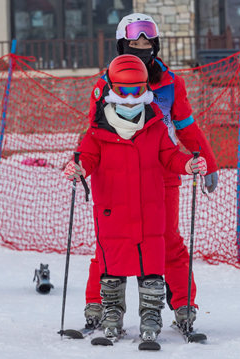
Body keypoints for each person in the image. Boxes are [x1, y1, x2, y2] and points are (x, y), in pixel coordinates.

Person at [80, 13, 219, 333]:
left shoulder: (171, 82)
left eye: (147, 42)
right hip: (115, 174)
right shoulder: (105, 83)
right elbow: (93, 132)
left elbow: (186, 127)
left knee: (167, 241)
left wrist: (207, 160)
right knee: (109, 241)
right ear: (121, 45)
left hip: (163, 170)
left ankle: (183, 303)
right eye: (134, 42)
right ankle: (98, 302)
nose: (142, 47)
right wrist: (83, 164)